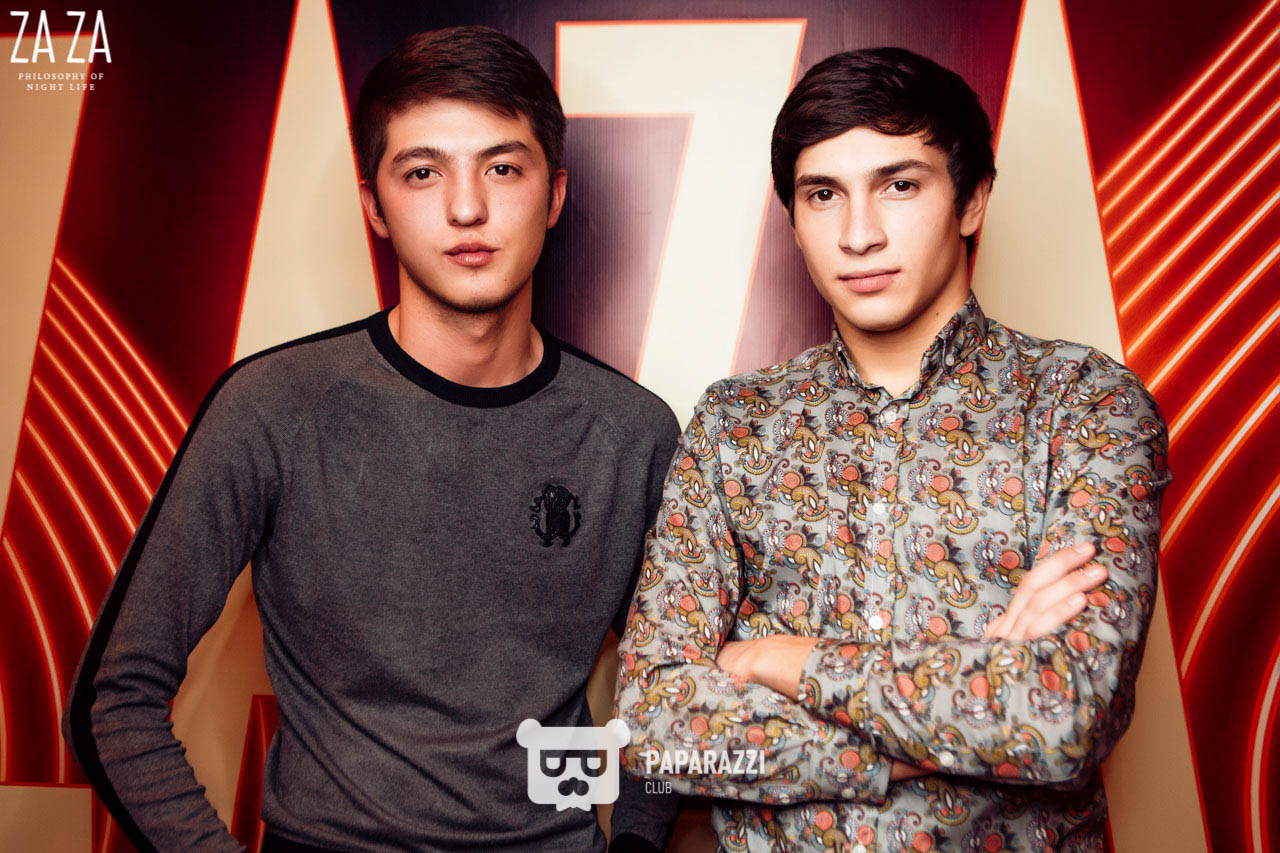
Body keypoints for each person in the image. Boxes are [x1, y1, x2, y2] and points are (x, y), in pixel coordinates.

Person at [63, 26, 680, 852]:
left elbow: (681, 693)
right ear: (374, 208)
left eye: (503, 168)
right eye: (423, 172)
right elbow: (112, 697)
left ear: (555, 194)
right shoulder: (274, 408)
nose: (467, 208)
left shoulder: (632, 433)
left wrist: (637, 842)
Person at [613, 46, 1170, 851]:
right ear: (794, 218)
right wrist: (970, 690)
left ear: (971, 200)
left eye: (899, 185)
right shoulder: (736, 423)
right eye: (823, 194)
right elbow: (653, 733)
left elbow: (1061, 718)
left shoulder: (1083, 405)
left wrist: (780, 659)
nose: (859, 234)